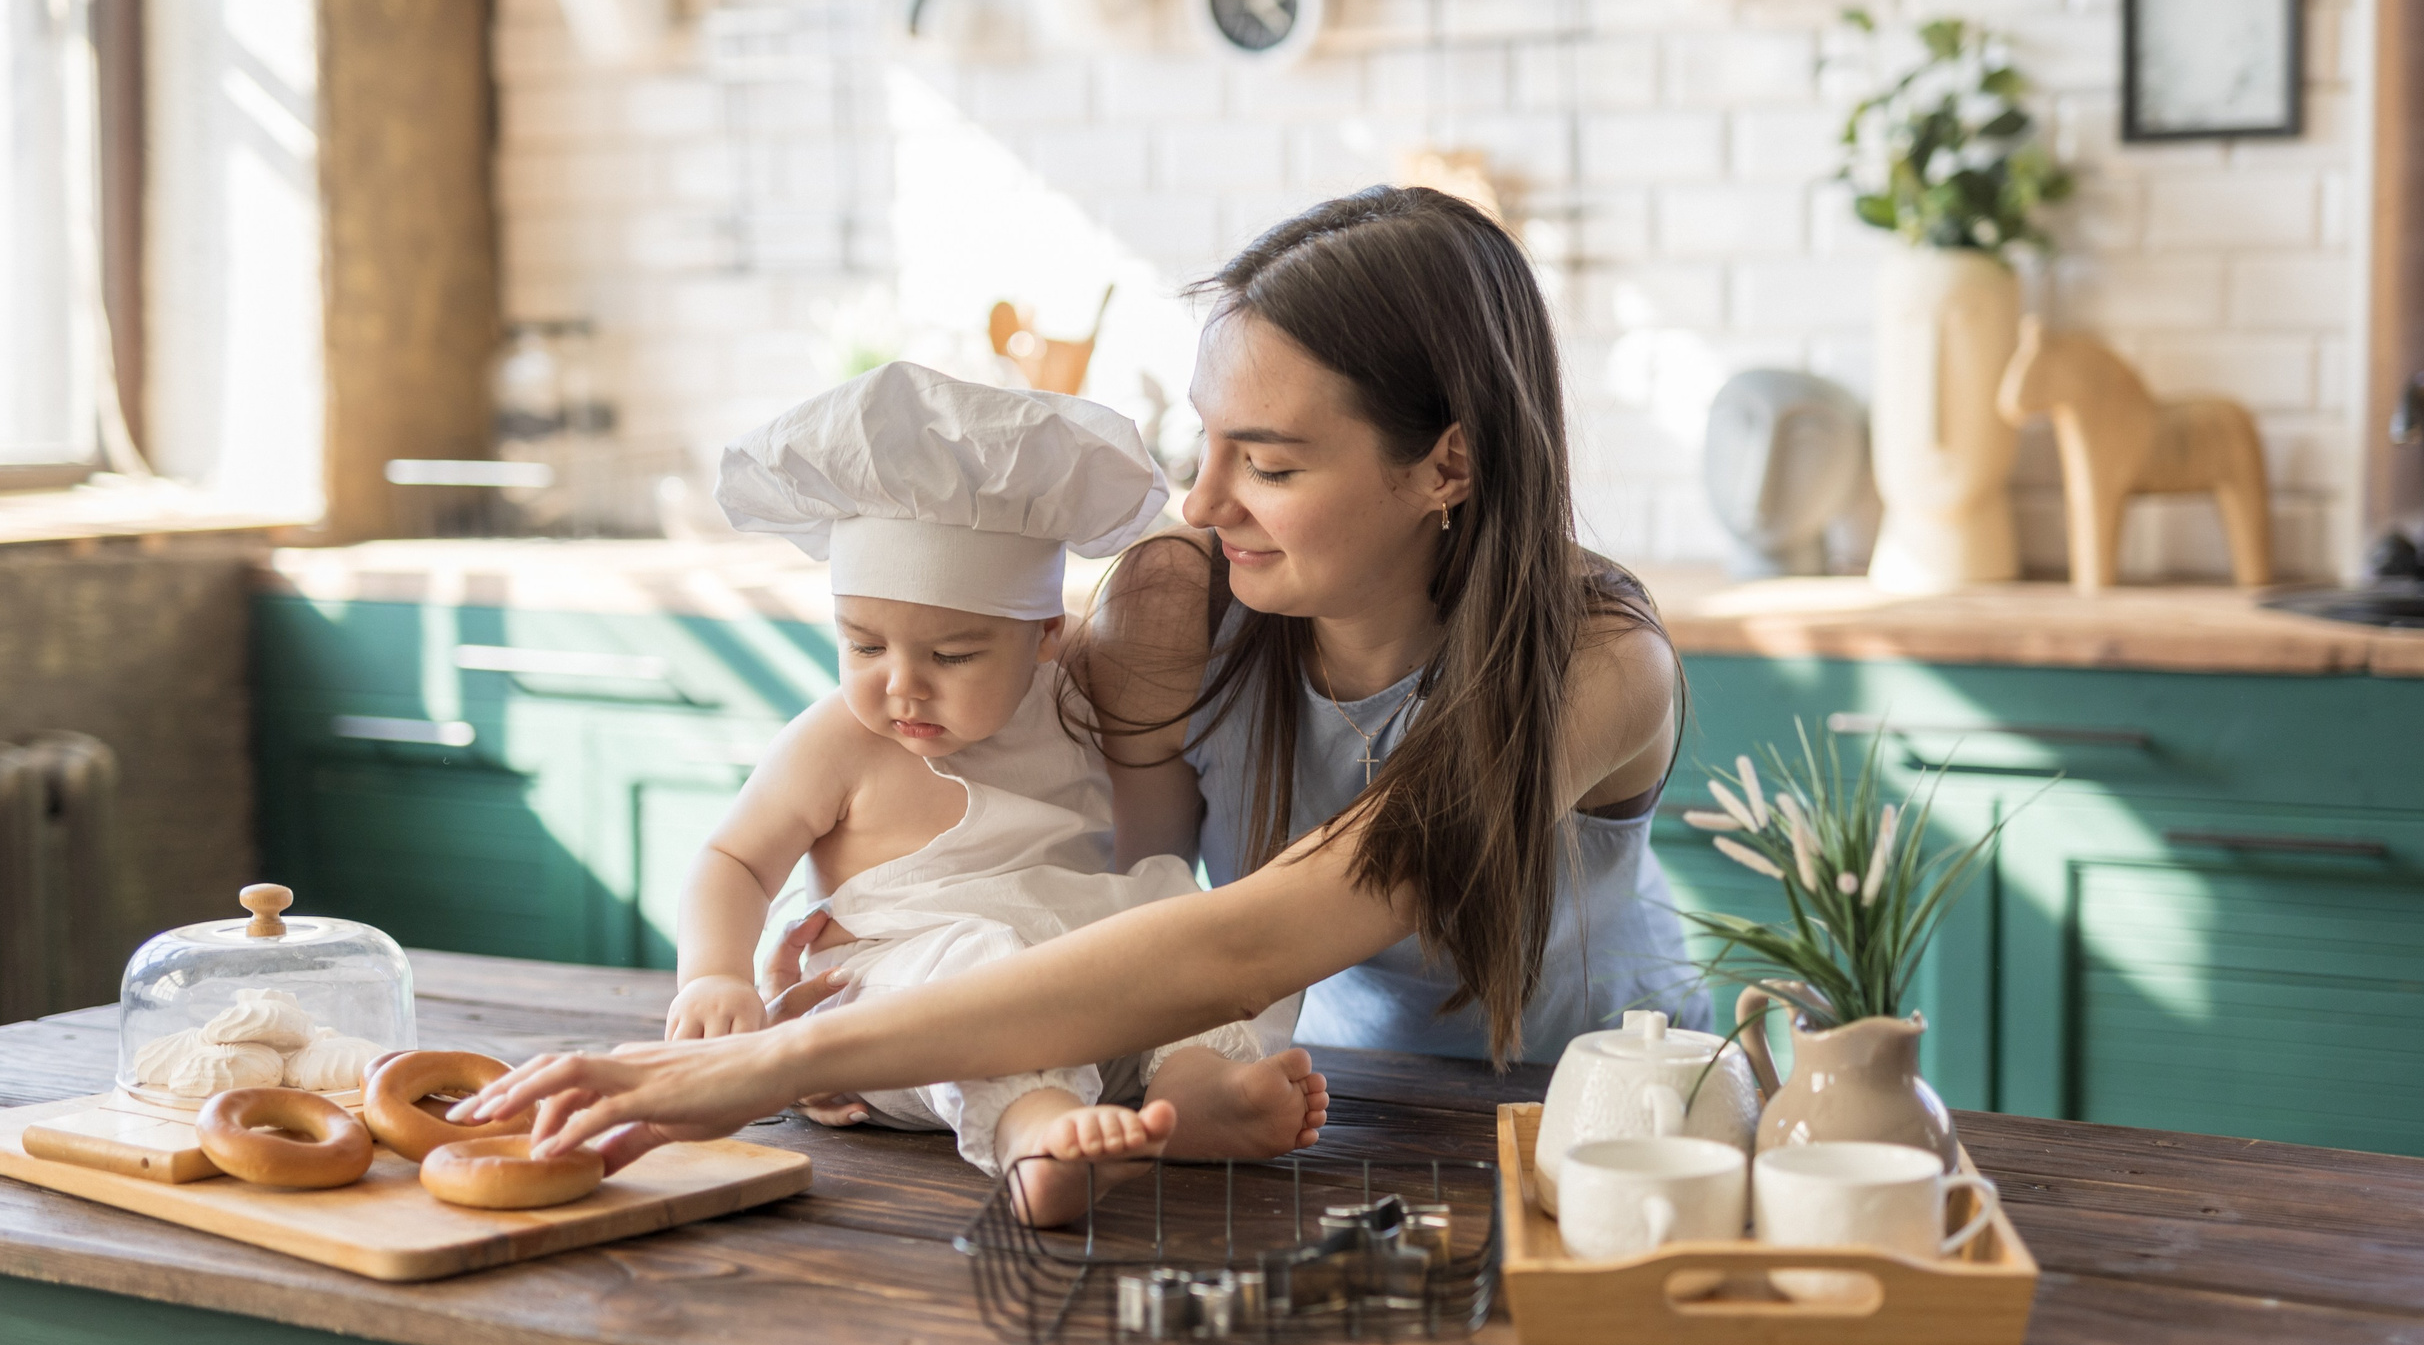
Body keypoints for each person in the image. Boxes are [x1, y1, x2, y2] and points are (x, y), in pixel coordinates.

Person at [459, 187, 1690, 1172]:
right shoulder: (1192, 603)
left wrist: (772, 1065)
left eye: (1265, 463)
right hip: (1336, 1106)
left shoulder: (1595, 665)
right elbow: (1097, 889)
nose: (1204, 504)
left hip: (1612, 1128)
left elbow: (1247, 943)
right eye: (1201, 446)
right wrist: (870, 977)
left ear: (1447, 467)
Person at [659, 362, 1326, 1223]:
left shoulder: (1078, 701)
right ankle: (1034, 1136)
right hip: (902, 1007)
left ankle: (1194, 1085)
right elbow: (732, 858)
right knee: (978, 965)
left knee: (1206, 917)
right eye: (863, 646)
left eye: (954, 655)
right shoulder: (838, 740)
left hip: (1067, 982)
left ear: (1047, 635)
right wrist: (713, 974)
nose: (902, 686)